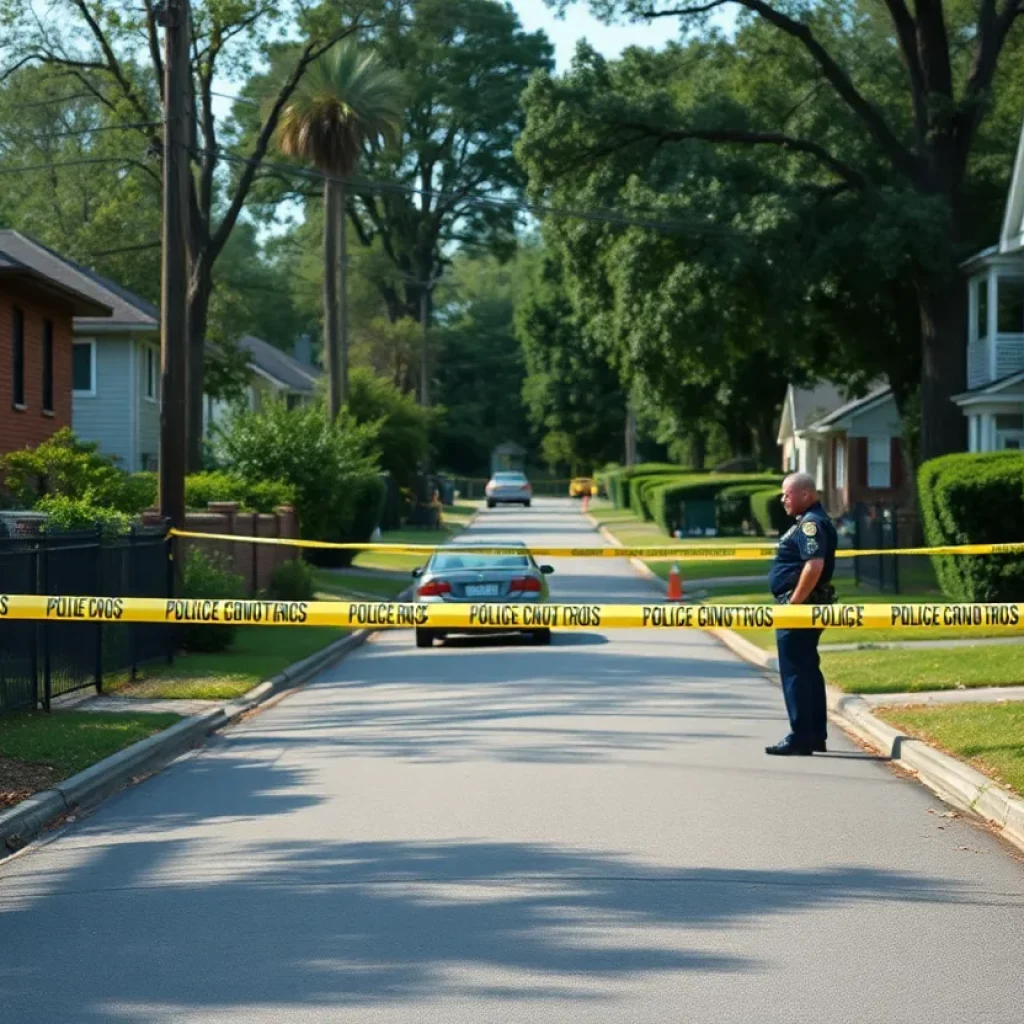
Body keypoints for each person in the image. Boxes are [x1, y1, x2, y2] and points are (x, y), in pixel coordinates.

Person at [765, 472, 837, 756]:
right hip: (804, 605)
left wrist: (794, 605)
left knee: (795, 670)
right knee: (806, 668)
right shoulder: (808, 521)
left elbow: (814, 565)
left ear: (806, 495)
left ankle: (801, 735)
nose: (783, 499)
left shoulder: (811, 524)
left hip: (800, 608)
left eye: (787, 494)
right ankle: (814, 734)